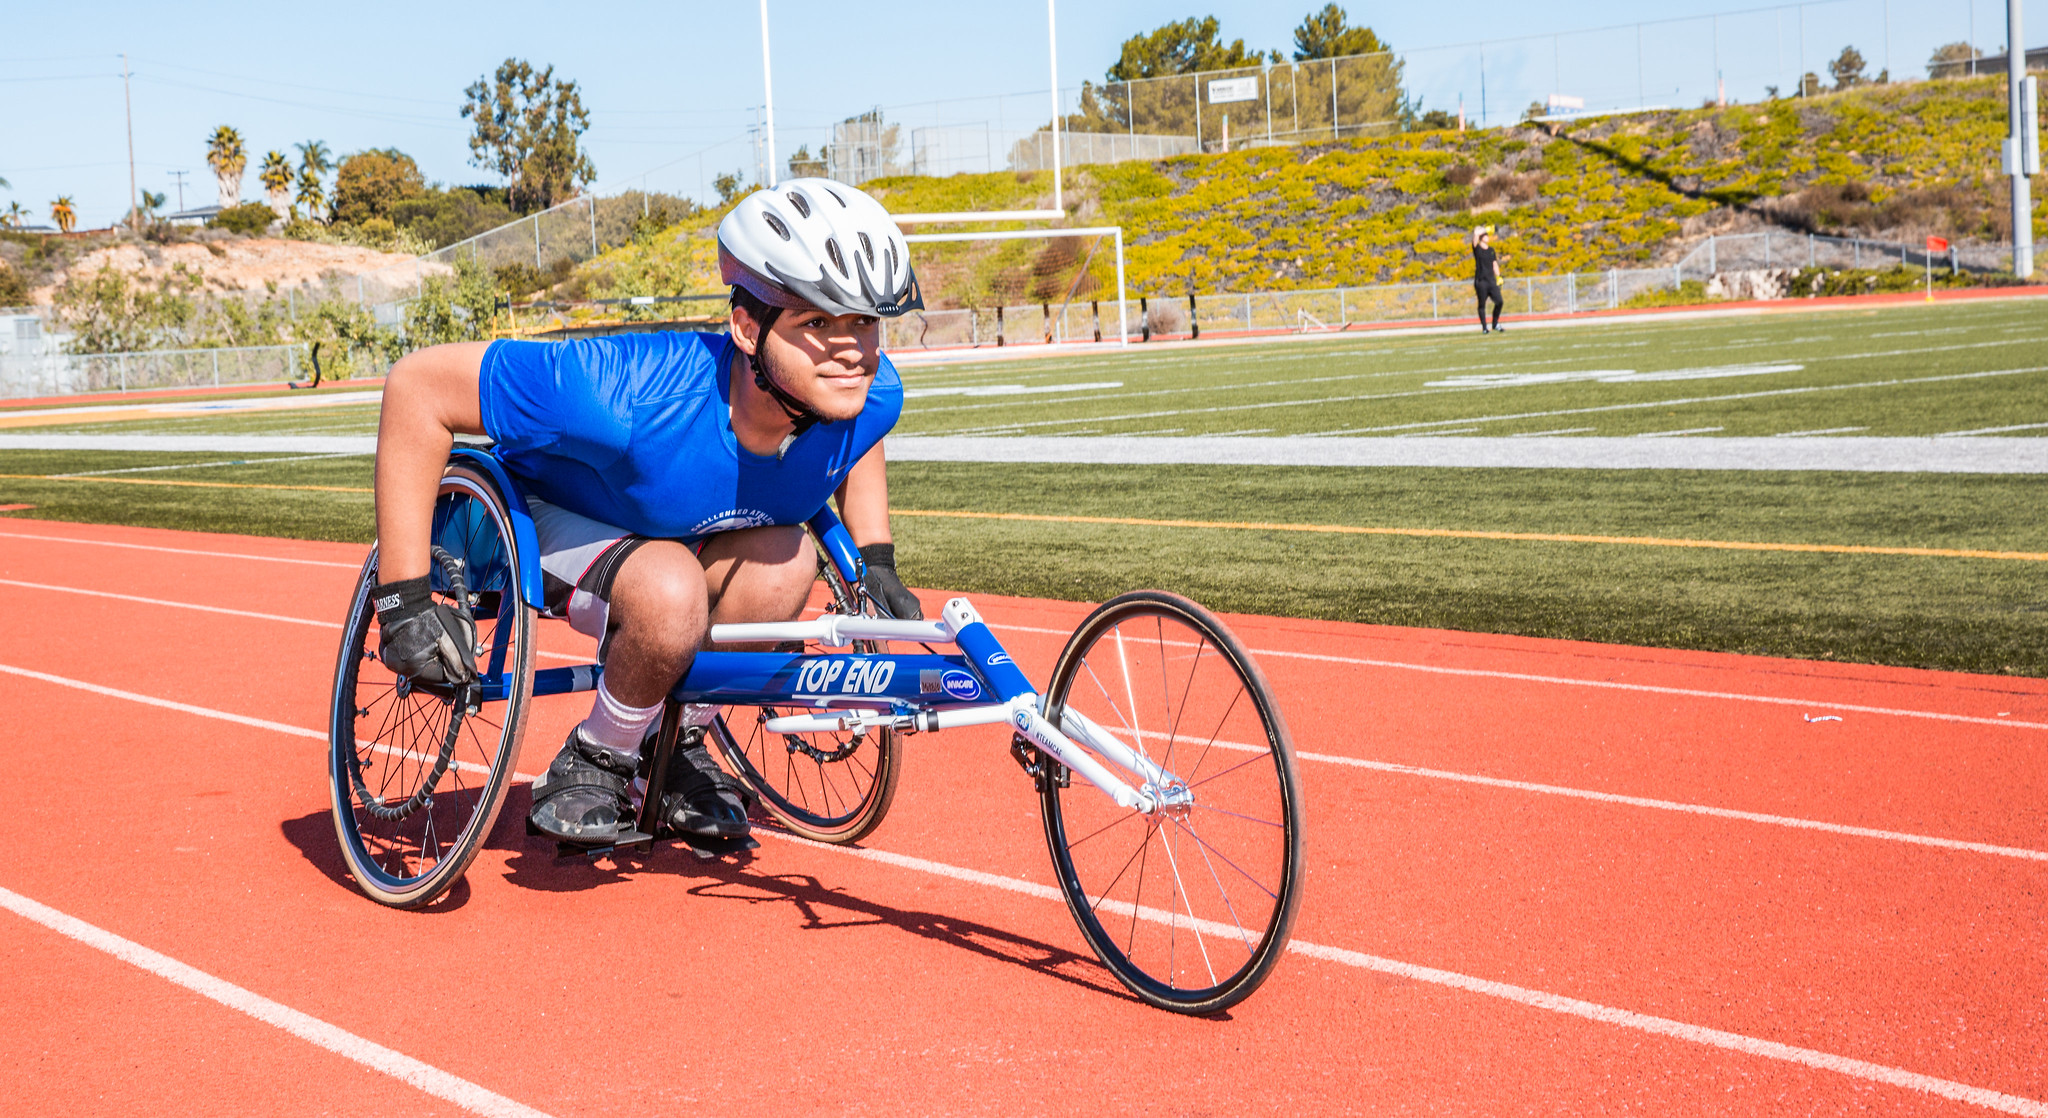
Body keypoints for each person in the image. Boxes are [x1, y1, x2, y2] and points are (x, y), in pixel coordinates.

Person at [368, 178, 926, 848]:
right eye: (817, 323)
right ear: (748, 328)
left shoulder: (867, 387)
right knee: (668, 586)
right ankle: (597, 754)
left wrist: (876, 556)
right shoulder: (614, 394)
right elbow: (416, 386)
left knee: (787, 559)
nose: (849, 351)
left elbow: (856, 434)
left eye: (864, 322)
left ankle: (677, 740)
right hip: (531, 520)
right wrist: (401, 597)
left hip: (674, 534)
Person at [1472, 226, 1505, 333]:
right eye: (1485, 235)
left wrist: (1499, 276)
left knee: (1499, 302)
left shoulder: (1491, 250)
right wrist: (1480, 231)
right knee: (1482, 305)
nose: (1487, 237)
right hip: (1481, 282)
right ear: (1481, 237)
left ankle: (1495, 324)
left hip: (1491, 281)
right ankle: (1484, 328)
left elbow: (1494, 264)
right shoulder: (1477, 249)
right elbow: (1475, 238)